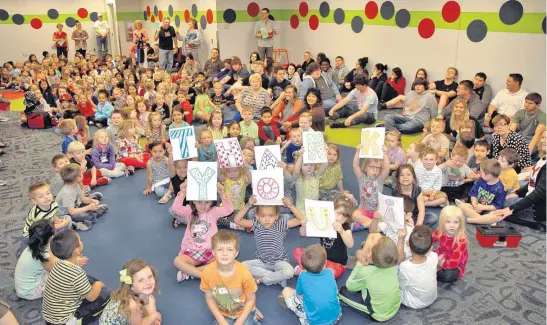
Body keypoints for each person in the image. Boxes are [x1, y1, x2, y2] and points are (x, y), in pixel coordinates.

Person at [42, 230, 110, 325]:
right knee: (106, 294)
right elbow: (91, 297)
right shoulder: (77, 273)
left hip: (49, 317)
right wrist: (98, 284)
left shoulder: (57, 264)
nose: (81, 241)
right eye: (80, 240)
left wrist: (76, 262)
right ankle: (80, 321)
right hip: (64, 321)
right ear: (77, 251)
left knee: (88, 280)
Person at [235, 196, 304, 287]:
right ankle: (276, 278)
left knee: (289, 271)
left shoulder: (280, 224)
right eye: (263, 216)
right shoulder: (256, 224)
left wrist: (290, 206)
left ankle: (264, 279)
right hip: (262, 262)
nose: (267, 219)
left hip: (279, 262)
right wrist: (248, 205)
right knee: (242, 266)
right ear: (257, 216)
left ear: (276, 216)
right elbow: (237, 220)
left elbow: (301, 219)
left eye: (271, 216)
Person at [172, 182, 233, 282]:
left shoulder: (214, 212)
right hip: (191, 251)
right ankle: (202, 275)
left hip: (210, 251)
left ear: (211, 202)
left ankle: (190, 273)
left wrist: (222, 193)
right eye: (199, 202)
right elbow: (176, 209)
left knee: (224, 262)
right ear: (194, 201)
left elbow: (229, 209)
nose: (203, 206)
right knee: (177, 261)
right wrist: (182, 192)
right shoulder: (190, 211)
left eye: (207, 202)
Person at [200, 230, 261, 325]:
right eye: (220, 249)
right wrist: (220, 320)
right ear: (213, 252)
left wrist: (240, 321)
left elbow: (251, 299)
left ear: (236, 253)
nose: (225, 253)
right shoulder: (207, 273)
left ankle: (254, 315)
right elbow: (210, 298)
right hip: (224, 313)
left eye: (230, 249)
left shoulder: (244, 273)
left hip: (244, 312)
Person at [339, 236, 400, 322]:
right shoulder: (392, 265)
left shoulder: (365, 271)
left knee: (343, 292)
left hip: (379, 315)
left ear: (371, 255)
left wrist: (359, 264)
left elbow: (349, 286)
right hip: (396, 306)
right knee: (367, 284)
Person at [279, 244, 342, 325]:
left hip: (314, 322)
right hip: (336, 316)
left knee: (286, 291)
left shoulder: (302, 276)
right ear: (325, 263)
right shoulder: (330, 272)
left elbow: (299, 296)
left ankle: (296, 307)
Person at [296, 194, 355, 278]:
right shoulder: (324, 220)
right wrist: (304, 226)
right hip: (321, 258)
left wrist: (342, 231)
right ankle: (313, 271)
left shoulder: (345, 226)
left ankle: (309, 271)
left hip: (337, 263)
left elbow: (350, 244)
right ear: (331, 210)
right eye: (338, 213)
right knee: (300, 252)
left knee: (330, 273)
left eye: (345, 216)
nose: (341, 218)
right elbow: (302, 233)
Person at [496, 130, 546, 230]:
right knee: (504, 199)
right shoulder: (543, 158)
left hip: (538, 208)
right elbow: (533, 183)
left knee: (501, 204)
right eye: (543, 138)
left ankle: (533, 223)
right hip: (532, 198)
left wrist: (511, 208)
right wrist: (518, 193)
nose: (543, 141)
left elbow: (539, 193)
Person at [99, 259, 161, 324]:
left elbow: (149, 302)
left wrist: (153, 319)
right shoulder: (133, 305)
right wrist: (155, 315)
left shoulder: (144, 291)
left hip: (132, 314)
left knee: (151, 300)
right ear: (131, 286)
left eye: (150, 277)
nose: (148, 282)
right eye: (141, 280)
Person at [15, 220, 60, 300]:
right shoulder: (44, 255)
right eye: (54, 231)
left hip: (23, 288)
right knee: (62, 277)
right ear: (50, 237)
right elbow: (56, 269)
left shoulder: (34, 245)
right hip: (30, 292)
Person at [398, 225, 438, 309]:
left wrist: (401, 240)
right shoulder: (434, 256)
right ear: (430, 248)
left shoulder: (405, 267)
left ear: (409, 245)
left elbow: (401, 285)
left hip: (414, 303)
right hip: (432, 297)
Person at [351, 146, 390, 231]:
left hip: (376, 210)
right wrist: (357, 152)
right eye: (372, 167)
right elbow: (355, 166)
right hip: (363, 209)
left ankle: (364, 225)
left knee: (386, 219)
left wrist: (385, 154)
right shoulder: (362, 177)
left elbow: (387, 169)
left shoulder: (380, 179)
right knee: (354, 215)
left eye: (378, 168)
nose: (375, 170)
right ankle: (373, 224)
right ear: (366, 167)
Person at [456, 159, 506, 224]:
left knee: (496, 216)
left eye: (481, 173)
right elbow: (474, 194)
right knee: (462, 206)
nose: (480, 174)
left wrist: (483, 207)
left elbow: (497, 206)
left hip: (488, 210)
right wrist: (475, 205)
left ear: (488, 175)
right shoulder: (481, 180)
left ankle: (470, 220)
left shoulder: (500, 189)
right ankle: (483, 220)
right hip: (475, 207)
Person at [432, 206, 469, 283]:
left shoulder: (461, 240)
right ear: (442, 222)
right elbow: (430, 242)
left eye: (456, 222)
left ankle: (433, 271)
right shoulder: (440, 231)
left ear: (460, 223)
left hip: (455, 266)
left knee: (448, 276)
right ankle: (433, 270)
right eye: (448, 222)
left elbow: (454, 263)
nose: (452, 225)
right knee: (424, 252)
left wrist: (440, 263)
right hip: (441, 256)